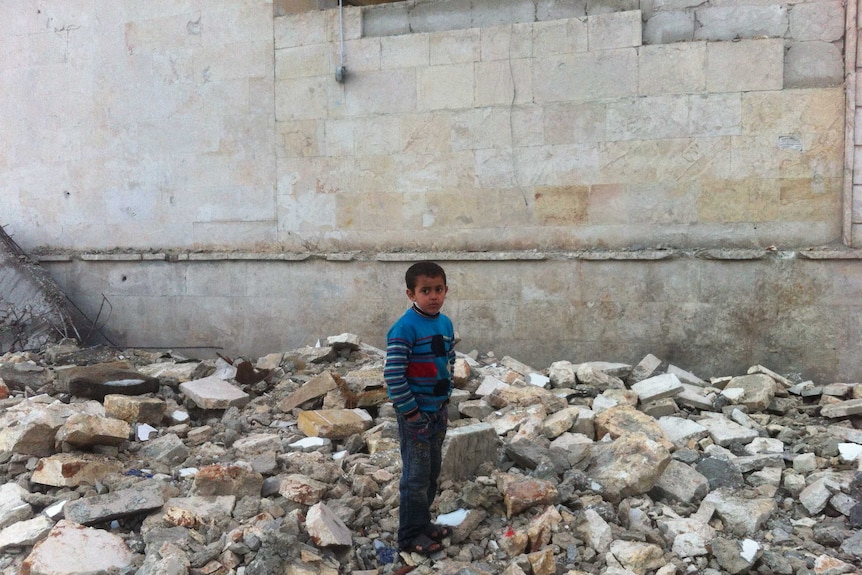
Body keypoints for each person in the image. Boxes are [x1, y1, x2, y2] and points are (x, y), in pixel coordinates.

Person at [384, 261, 456, 556]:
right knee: (414, 476)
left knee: (431, 472)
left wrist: (446, 398)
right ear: (411, 294)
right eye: (425, 290)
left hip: (438, 411)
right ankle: (409, 535)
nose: (433, 296)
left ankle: (423, 523)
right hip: (416, 415)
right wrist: (412, 413)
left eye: (438, 289)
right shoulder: (404, 329)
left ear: (446, 290)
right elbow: (394, 375)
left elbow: (448, 361)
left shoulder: (445, 323)